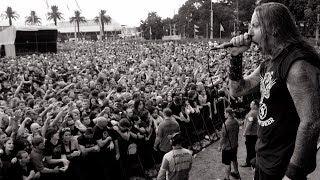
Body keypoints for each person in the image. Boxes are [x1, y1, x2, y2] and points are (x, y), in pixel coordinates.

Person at [228, 2, 320, 180]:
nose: (249, 32)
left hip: (283, 166)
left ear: (274, 28)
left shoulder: (297, 65)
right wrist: (236, 56)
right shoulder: (269, 62)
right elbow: (237, 90)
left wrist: (292, 174)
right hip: (266, 159)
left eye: (255, 25)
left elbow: (312, 122)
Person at [218, 108, 240, 180]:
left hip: (227, 147)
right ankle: (236, 173)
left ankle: (227, 178)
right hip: (234, 145)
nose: (224, 114)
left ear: (228, 113)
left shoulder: (226, 124)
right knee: (234, 159)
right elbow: (237, 131)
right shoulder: (236, 121)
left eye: (225, 113)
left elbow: (223, 137)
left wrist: (220, 146)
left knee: (227, 163)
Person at [241, 100, 258, 167]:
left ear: (255, 105)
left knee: (249, 148)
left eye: (252, 103)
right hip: (255, 133)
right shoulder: (257, 111)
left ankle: (248, 162)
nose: (250, 104)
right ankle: (252, 161)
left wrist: (245, 132)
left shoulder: (252, 113)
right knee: (253, 148)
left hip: (250, 134)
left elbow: (250, 123)